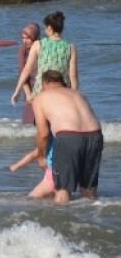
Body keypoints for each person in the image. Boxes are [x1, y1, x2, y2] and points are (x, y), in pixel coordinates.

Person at [31, 69, 103, 203]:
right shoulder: (79, 94)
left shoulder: (41, 97)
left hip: (69, 136)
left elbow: (43, 134)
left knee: (63, 188)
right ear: (62, 82)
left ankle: (61, 222)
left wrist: (41, 157)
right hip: (95, 135)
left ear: (44, 83)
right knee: (89, 189)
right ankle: (93, 220)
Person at [11, 11, 77, 107]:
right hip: (62, 93)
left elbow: (26, 70)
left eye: (45, 27)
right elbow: (73, 76)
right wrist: (74, 96)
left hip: (41, 92)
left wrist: (17, 91)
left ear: (50, 28)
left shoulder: (38, 44)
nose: (45, 30)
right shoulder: (70, 47)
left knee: (40, 121)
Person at [14, 22, 41, 124]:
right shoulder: (23, 49)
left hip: (42, 86)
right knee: (29, 120)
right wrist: (28, 93)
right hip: (29, 86)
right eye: (23, 38)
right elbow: (22, 71)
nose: (25, 41)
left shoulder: (42, 46)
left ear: (35, 37)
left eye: (28, 38)